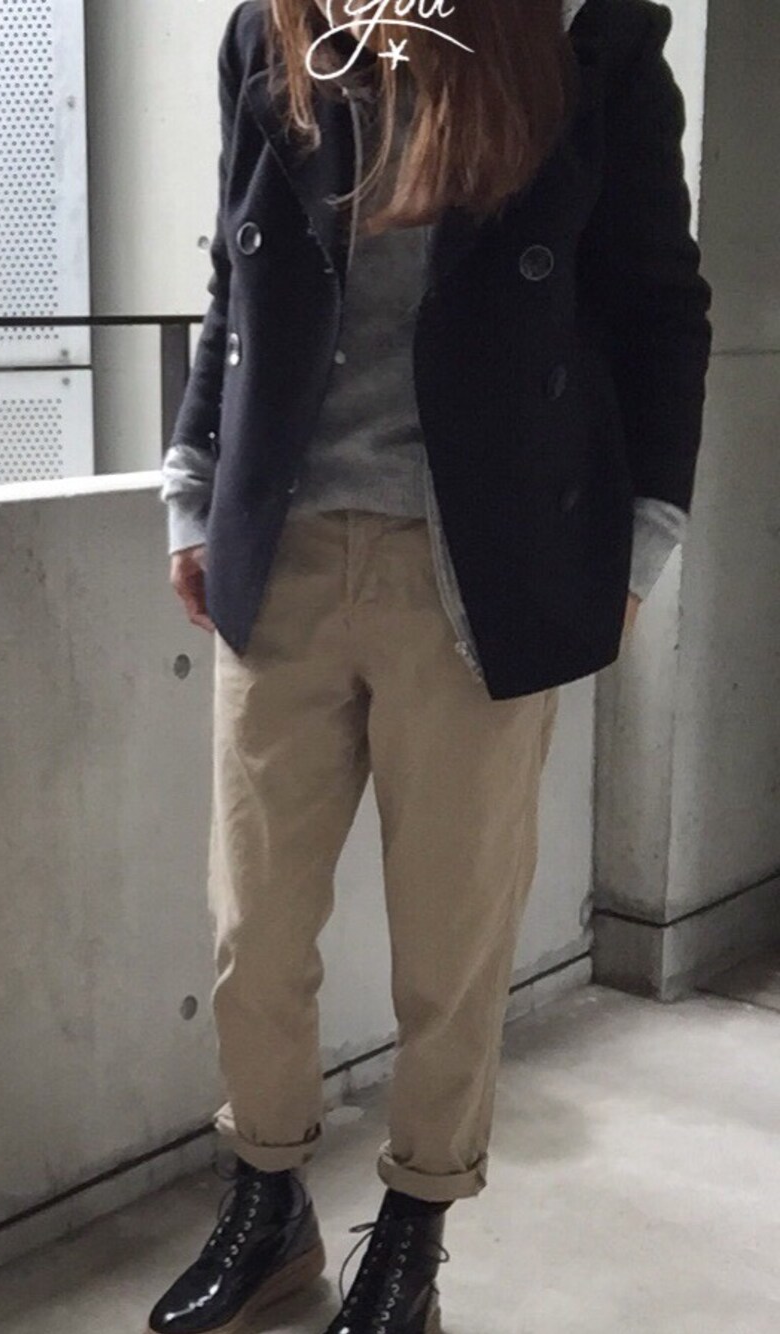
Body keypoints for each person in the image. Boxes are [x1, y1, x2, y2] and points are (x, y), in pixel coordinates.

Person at [150, 1, 712, 1330]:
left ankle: (415, 1225)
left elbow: (659, 309)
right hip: (283, 551)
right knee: (252, 931)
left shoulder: (587, 42)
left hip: (479, 564)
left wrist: (641, 541)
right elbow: (234, 279)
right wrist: (191, 482)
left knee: (450, 948)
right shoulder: (273, 32)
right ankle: (267, 1200)